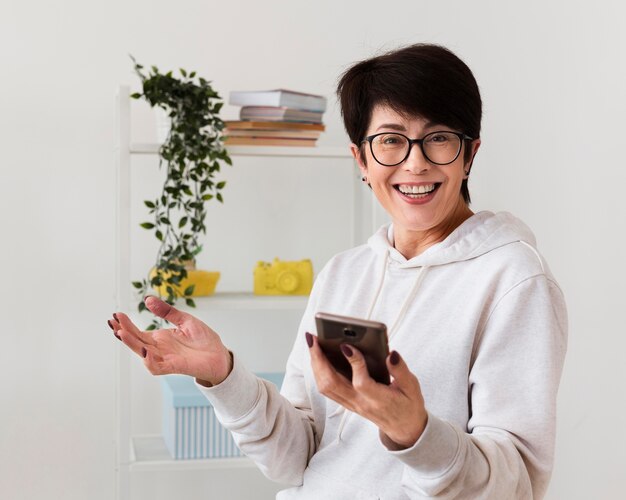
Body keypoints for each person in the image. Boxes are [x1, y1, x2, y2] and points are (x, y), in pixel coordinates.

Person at [109, 43, 567, 499]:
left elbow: (517, 483)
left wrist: (416, 433)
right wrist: (225, 376)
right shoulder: (344, 273)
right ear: (361, 161)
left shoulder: (514, 279)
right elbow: (295, 457)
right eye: (391, 140)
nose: (415, 162)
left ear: (469, 154)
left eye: (439, 137)